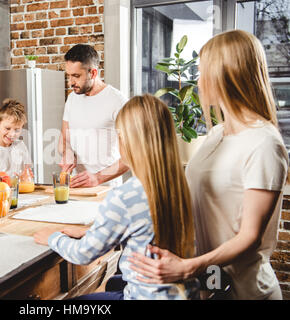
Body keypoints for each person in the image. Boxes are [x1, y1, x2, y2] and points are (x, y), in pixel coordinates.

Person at [128, 30, 289, 300]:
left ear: (227, 74)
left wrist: (187, 267)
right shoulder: (216, 134)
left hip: (246, 292)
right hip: (209, 285)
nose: (198, 82)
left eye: (203, 72)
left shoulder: (263, 144)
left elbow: (249, 237)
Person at [34, 94, 199, 300]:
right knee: (112, 283)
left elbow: (83, 254)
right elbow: (143, 233)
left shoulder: (126, 196)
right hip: (182, 295)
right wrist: (93, 233)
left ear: (127, 140)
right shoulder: (180, 184)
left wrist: (52, 237)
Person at [59, 44, 129, 188]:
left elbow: (133, 155)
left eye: (76, 76)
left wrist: (97, 178)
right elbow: (65, 138)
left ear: (93, 73)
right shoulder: (72, 98)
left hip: (106, 190)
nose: (70, 82)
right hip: (76, 187)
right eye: (69, 76)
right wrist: (68, 153)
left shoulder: (118, 101)